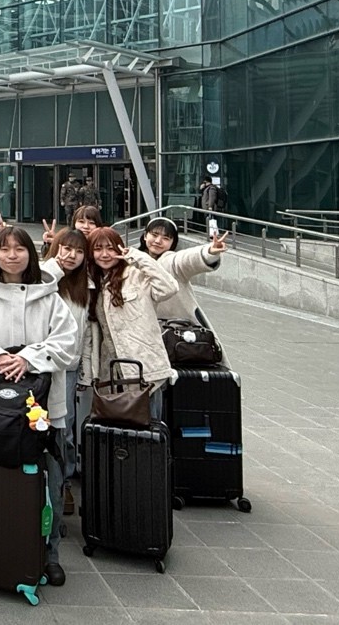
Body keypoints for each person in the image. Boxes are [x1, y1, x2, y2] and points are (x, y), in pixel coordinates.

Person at [0, 225, 78, 587]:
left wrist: (27, 358)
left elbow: (67, 345)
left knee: (49, 483)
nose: (12, 255)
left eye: (19, 249)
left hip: (44, 411)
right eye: (4, 249)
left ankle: (48, 553)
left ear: (31, 254)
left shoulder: (51, 299)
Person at [81, 226, 181, 421]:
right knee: (116, 436)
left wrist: (138, 256)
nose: (105, 254)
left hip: (143, 370)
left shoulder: (135, 274)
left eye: (110, 248)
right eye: (98, 248)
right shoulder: (92, 282)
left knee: (148, 434)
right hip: (109, 373)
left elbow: (169, 288)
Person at [39, 227, 93, 516]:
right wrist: (56, 264)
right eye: (66, 248)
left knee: (65, 431)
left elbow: (86, 333)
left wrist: (85, 371)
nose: (72, 256)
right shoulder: (45, 275)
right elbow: (41, 281)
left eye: (79, 251)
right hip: (39, 367)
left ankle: (63, 486)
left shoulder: (86, 286)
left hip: (68, 370)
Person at [138, 218, 231, 356]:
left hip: (178, 335)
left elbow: (187, 259)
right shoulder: (132, 261)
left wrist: (210, 251)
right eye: (154, 235)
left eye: (165, 238)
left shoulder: (170, 262)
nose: (158, 241)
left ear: (172, 243)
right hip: (142, 336)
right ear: (145, 235)